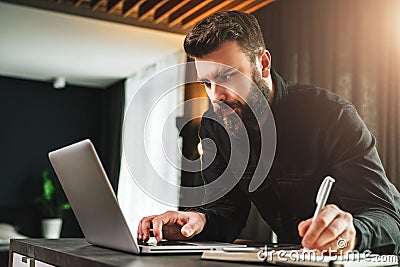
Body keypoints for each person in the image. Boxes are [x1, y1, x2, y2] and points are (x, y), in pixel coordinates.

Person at [137, 11, 400, 254]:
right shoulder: (214, 126)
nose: (216, 96)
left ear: (263, 64)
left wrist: (348, 237)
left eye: (227, 76)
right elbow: (226, 212)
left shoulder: (332, 115)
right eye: (207, 83)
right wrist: (195, 221)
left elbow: (388, 219)